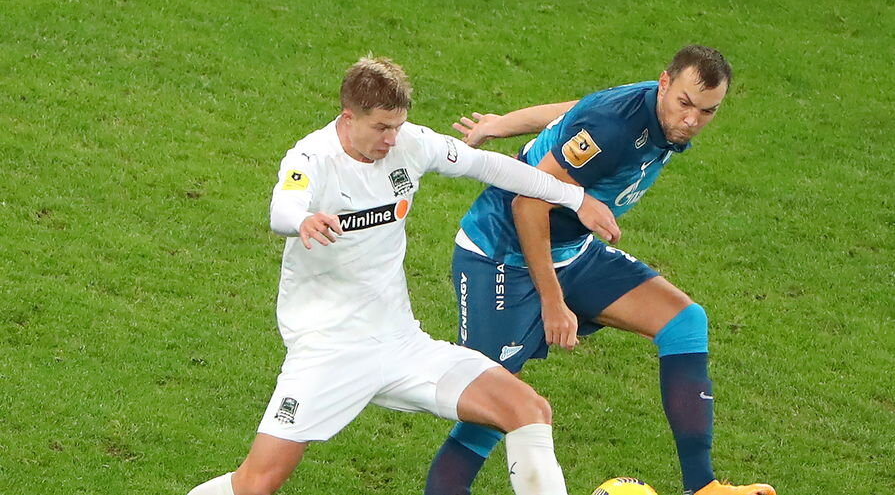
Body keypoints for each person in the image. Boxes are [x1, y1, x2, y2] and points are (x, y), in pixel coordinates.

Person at [186, 56, 620, 495]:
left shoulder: (411, 143)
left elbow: (489, 166)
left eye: (397, 126)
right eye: (381, 128)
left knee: (528, 409)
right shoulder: (312, 157)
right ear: (349, 117)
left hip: (400, 343)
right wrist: (302, 220)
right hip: (328, 349)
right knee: (256, 483)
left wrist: (573, 197)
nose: (391, 139)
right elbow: (283, 206)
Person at [424, 45, 777, 495]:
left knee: (684, 322)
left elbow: (576, 109)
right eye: (685, 104)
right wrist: (553, 303)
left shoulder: (652, 109)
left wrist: (500, 124)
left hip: (570, 250)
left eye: (707, 111)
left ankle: (703, 487)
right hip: (501, 257)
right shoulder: (616, 127)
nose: (692, 120)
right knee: (495, 405)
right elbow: (528, 204)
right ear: (664, 84)